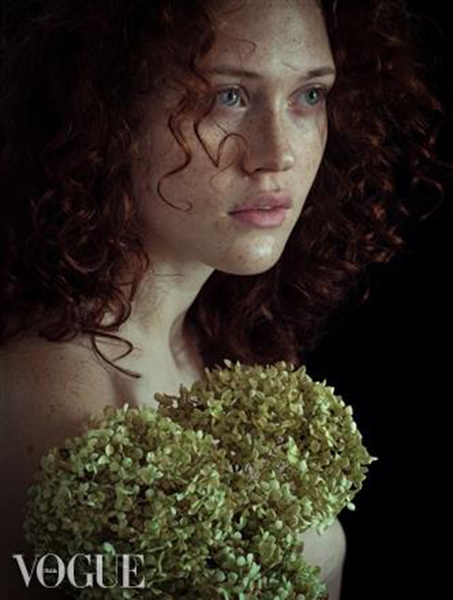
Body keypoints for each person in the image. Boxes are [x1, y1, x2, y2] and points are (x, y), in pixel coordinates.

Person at [0, 0, 444, 597]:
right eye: (228, 96)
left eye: (309, 95)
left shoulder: (216, 339)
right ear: (105, 111)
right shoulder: (55, 409)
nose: (279, 154)